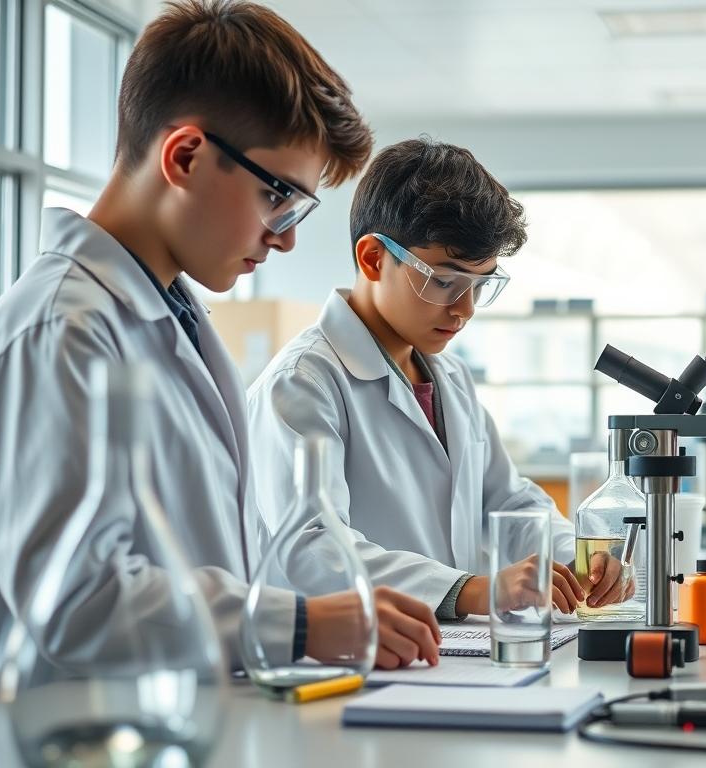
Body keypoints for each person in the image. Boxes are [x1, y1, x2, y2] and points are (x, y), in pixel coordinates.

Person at [0, 0, 439, 709]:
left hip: (169, 726)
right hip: (56, 738)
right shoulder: (60, 330)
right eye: (278, 197)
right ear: (184, 156)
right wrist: (301, 623)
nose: (285, 237)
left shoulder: (172, 318)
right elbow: (77, 600)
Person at [246, 138, 631, 619]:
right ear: (373, 259)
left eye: (481, 285)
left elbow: (507, 499)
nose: (465, 309)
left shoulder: (450, 375)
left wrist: (579, 560)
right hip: (349, 650)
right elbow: (311, 547)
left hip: (446, 648)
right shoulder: (302, 383)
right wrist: (470, 590)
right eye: (445, 282)